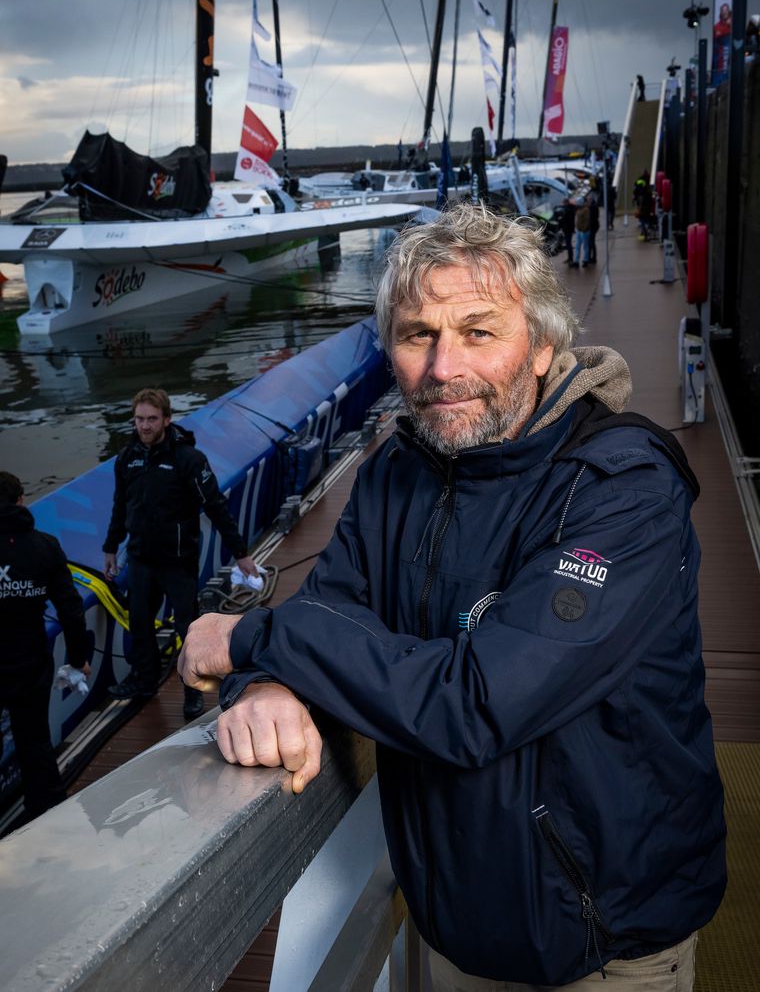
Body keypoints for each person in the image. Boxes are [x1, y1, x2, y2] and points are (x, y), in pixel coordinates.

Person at [179, 202, 726, 990]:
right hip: (449, 923)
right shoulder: (398, 473)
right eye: (416, 335)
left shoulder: (623, 490)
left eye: (478, 330)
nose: (443, 369)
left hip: (603, 945)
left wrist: (249, 640)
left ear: (541, 347)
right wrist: (268, 682)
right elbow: (327, 613)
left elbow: (477, 703)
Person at [102, 388, 259, 719]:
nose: (144, 426)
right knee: (140, 623)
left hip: (177, 561)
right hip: (140, 558)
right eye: (139, 419)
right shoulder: (127, 456)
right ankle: (144, 681)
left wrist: (241, 554)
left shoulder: (189, 460)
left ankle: (193, 689)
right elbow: (119, 504)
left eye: (151, 419)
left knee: (187, 627)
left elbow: (216, 506)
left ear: (167, 420)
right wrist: (110, 547)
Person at [0, 471, 90, 821]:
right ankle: (48, 814)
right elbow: (71, 610)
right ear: (22, 499)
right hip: (30, 662)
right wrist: (79, 657)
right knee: (35, 742)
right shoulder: (45, 546)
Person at [558, 196, 577, 268]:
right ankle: (570, 258)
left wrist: (560, 220)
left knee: (569, 245)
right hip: (569, 229)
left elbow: (564, 219)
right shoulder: (571, 209)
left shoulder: (567, 210)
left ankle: (570, 259)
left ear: (565, 203)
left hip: (567, 229)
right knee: (568, 244)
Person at [574, 195, 591, 267]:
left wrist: (584, 229)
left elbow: (587, 221)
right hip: (579, 230)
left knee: (585, 246)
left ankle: (586, 260)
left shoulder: (586, 210)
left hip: (584, 231)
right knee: (577, 246)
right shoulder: (579, 209)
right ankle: (576, 260)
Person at [587, 190, 600, 264]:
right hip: (594, 226)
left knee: (591, 242)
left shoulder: (592, 207)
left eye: (588, 199)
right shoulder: (594, 206)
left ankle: (592, 257)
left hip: (592, 227)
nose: (588, 201)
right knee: (591, 242)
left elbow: (592, 218)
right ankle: (591, 257)